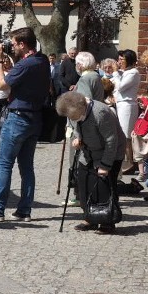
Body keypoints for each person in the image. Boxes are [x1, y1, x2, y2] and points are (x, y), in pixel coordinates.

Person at [0, 27, 50, 221]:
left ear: (22, 44)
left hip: (17, 118)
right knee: (27, 167)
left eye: (14, 44)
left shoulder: (25, 65)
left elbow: (2, 85)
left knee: (4, 164)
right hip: (35, 118)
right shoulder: (41, 61)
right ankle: (24, 210)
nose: (11, 46)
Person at [56, 91, 124, 233]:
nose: (72, 119)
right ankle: (90, 218)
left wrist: (105, 165)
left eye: (73, 116)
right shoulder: (72, 110)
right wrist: (78, 138)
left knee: (104, 189)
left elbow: (111, 141)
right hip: (87, 153)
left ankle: (107, 221)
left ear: (81, 108)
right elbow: (76, 128)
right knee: (84, 186)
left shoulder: (101, 112)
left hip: (109, 153)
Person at [113, 50, 141, 175]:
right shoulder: (124, 72)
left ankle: (130, 162)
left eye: (122, 60)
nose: (119, 62)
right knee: (121, 134)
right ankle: (125, 161)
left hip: (127, 106)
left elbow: (121, 86)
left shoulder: (133, 73)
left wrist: (115, 72)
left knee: (126, 135)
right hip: (120, 104)